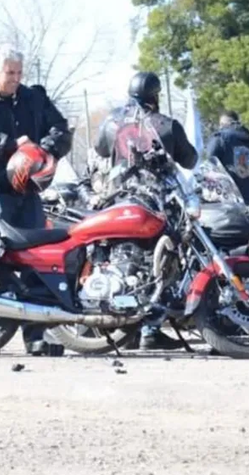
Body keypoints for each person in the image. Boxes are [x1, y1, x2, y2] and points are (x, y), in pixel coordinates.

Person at [0, 43, 73, 356]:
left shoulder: (34, 96)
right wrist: (13, 145)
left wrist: (44, 149)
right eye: (10, 72)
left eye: (19, 73)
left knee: (39, 256)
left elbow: (61, 128)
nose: (15, 78)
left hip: (29, 190)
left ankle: (36, 335)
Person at [94, 71, 198, 351]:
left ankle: (123, 328)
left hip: (119, 201)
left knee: (122, 263)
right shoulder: (166, 124)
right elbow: (190, 159)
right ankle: (150, 330)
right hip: (155, 205)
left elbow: (101, 150)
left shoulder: (112, 121)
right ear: (155, 95)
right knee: (163, 265)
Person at [203, 110, 249, 205]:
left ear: (223, 124)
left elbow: (209, 166)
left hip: (224, 201)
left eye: (220, 124)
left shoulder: (219, 139)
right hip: (248, 200)